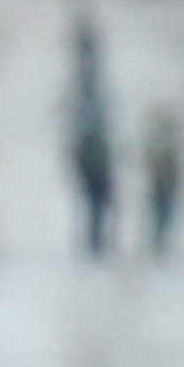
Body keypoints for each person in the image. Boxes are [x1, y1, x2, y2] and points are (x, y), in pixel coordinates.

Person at [68, 99, 116, 256]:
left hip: (98, 180)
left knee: (96, 212)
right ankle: (94, 240)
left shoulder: (94, 142)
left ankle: (95, 240)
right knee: (95, 212)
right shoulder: (91, 142)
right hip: (93, 180)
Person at [141, 107, 184, 257]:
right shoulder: (170, 144)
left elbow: (148, 162)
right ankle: (160, 241)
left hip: (157, 184)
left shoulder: (156, 143)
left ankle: (158, 240)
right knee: (164, 213)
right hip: (165, 184)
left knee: (158, 213)